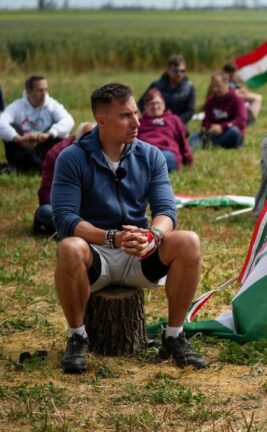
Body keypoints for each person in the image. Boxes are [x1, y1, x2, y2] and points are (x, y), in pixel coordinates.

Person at [51, 83, 206, 373]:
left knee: (188, 241)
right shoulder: (72, 157)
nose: (136, 122)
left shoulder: (151, 155)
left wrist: (152, 235)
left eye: (135, 113)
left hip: (139, 251)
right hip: (95, 252)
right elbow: (64, 218)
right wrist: (112, 237)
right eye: (125, 116)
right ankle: (77, 337)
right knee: (68, 247)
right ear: (101, 120)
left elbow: (166, 211)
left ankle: (174, 336)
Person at [0, 75, 75, 172]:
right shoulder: (17, 106)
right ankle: (41, 165)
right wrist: (18, 138)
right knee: (11, 128)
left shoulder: (52, 105)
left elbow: (68, 121)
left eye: (46, 90)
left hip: (44, 147)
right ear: (28, 92)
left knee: (60, 133)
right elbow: (1, 122)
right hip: (23, 147)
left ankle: (30, 165)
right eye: (40, 90)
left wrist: (48, 134)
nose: (44, 94)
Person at [33, 122, 96, 236]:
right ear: (76, 139)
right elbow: (46, 192)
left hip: (91, 209)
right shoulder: (58, 154)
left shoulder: (102, 151)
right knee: (45, 211)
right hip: (65, 207)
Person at [138, 89, 193, 172]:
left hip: (166, 152)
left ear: (163, 104)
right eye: (151, 104)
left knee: (155, 160)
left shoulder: (173, 120)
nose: (155, 107)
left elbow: (182, 141)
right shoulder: (139, 123)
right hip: (145, 153)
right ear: (145, 107)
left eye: (158, 103)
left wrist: (188, 159)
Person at [194, 71, 247, 149]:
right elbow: (206, 120)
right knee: (196, 135)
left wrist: (222, 127)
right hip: (214, 133)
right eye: (213, 86)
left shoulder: (236, 99)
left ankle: (210, 144)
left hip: (229, 132)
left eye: (218, 86)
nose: (215, 89)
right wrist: (206, 127)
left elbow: (241, 120)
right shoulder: (211, 100)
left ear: (226, 83)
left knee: (234, 132)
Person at [139, 54, 196, 125]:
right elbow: (142, 103)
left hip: (178, 125)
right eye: (176, 71)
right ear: (168, 70)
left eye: (182, 71)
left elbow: (190, 111)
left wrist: (175, 122)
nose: (179, 74)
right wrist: (152, 117)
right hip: (157, 124)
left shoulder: (189, 88)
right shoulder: (157, 85)